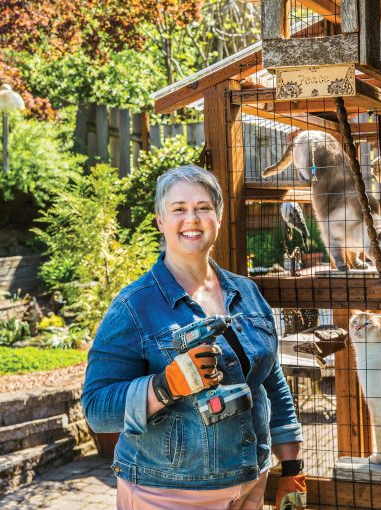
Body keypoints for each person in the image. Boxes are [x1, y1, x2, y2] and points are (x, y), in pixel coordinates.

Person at [82, 165, 307, 510]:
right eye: (179, 209)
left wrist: (292, 467)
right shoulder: (134, 305)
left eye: (203, 208)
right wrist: (164, 386)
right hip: (169, 493)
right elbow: (97, 409)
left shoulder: (246, 292)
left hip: (250, 481)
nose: (192, 218)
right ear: (160, 220)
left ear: (217, 217)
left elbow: (270, 379)